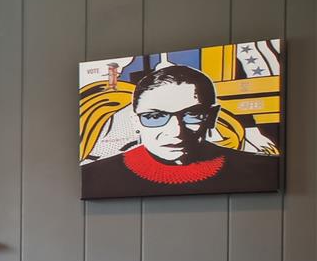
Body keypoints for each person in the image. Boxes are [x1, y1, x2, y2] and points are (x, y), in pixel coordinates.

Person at [80, 63, 282, 198]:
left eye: (192, 114)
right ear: (135, 122)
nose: (177, 131)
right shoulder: (95, 176)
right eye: (155, 117)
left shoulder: (261, 169)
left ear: (212, 117)